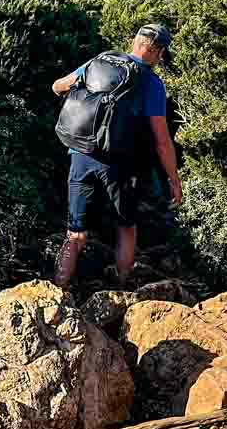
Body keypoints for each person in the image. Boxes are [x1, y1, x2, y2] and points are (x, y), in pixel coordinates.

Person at [51, 23, 183, 289]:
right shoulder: (151, 83)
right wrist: (174, 179)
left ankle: (57, 292)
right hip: (118, 165)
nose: (160, 60)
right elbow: (162, 140)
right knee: (126, 227)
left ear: (135, 42)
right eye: (162, 54)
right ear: (156, 51)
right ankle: (122, 289)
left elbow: (57, 86)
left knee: (75, 233)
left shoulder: (100, 60)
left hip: (80, 153)